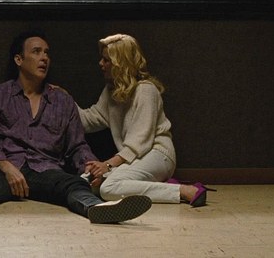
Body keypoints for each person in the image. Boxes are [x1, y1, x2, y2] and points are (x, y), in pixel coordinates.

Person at [0, 30, 152, 225]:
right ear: (19, 59)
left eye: (47, 53)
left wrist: (90, 166)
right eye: (36, 52)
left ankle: (97, 209)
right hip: (6, 169)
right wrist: (7, 168)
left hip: (47, 170)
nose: (44, 58)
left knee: (75, 185)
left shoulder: (62, 101)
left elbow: (77, 145)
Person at [78, 33, 212, 206]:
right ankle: (159, 186)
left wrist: (108, 166)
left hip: (158, 154)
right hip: (132, 158)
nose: (100, 64)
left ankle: (185, 191)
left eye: (106, 60)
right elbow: (88, 120)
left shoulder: (146, 91)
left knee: (108, 188)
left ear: (120, 64)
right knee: (85, 182)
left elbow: (139, 142)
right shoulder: (111, 93)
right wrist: (62, 98)